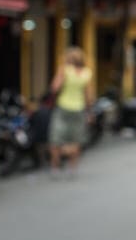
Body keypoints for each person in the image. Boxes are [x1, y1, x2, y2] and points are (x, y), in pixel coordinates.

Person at [48, 47, 93, 178]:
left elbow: (54, 87)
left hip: (63, 108)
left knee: (55, 138)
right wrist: (89, 112)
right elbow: (88, 96)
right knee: (76, 140)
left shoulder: (64, 69)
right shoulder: (87, 73)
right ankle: (72, 169)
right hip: (79, 109)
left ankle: (55, 167)